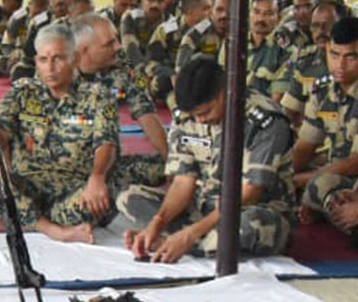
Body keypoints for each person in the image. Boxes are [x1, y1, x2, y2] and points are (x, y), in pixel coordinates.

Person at [117, 55, 294, 261]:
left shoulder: (265, 121)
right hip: (203, 208)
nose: (200, 120)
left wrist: (191, 234)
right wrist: (157, 223)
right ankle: (184, 240)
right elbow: (183, 181)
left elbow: (250, 192)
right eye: (194, 115)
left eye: (205, 112)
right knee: (128, 197)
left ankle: (178, 243)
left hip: (250, 212)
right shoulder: (188, 116)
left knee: (248, 227)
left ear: (224, 93)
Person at [0, 22, 118, 244]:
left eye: (58, 58)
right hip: (27, 184)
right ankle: (54, 230)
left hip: (73, 187)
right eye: (43, 59)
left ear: (75, 59)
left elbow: (106, 142)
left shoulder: (98, 96)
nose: (50, 67)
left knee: (98, 202)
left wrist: (97, 178)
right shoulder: (23, 91)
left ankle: (17, 220)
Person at [71, 12, 167, 191]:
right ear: (84, 50)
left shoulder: (121, 64)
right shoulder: (56, 70)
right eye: (109, 44)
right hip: (65, 162)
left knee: (169, 167)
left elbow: (146, 113)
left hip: (109, 161)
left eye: (116, 39)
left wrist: (172, 163)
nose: (118, 47)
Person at [291, 17, 358, 238]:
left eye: (351, 57)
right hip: (336, 175)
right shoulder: (323, 92)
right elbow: (304, 148)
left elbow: (353, 163)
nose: (340, 64)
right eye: (334, 55)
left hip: (349, 175)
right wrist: (280, 176)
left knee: (320, 184)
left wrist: (304, 181)